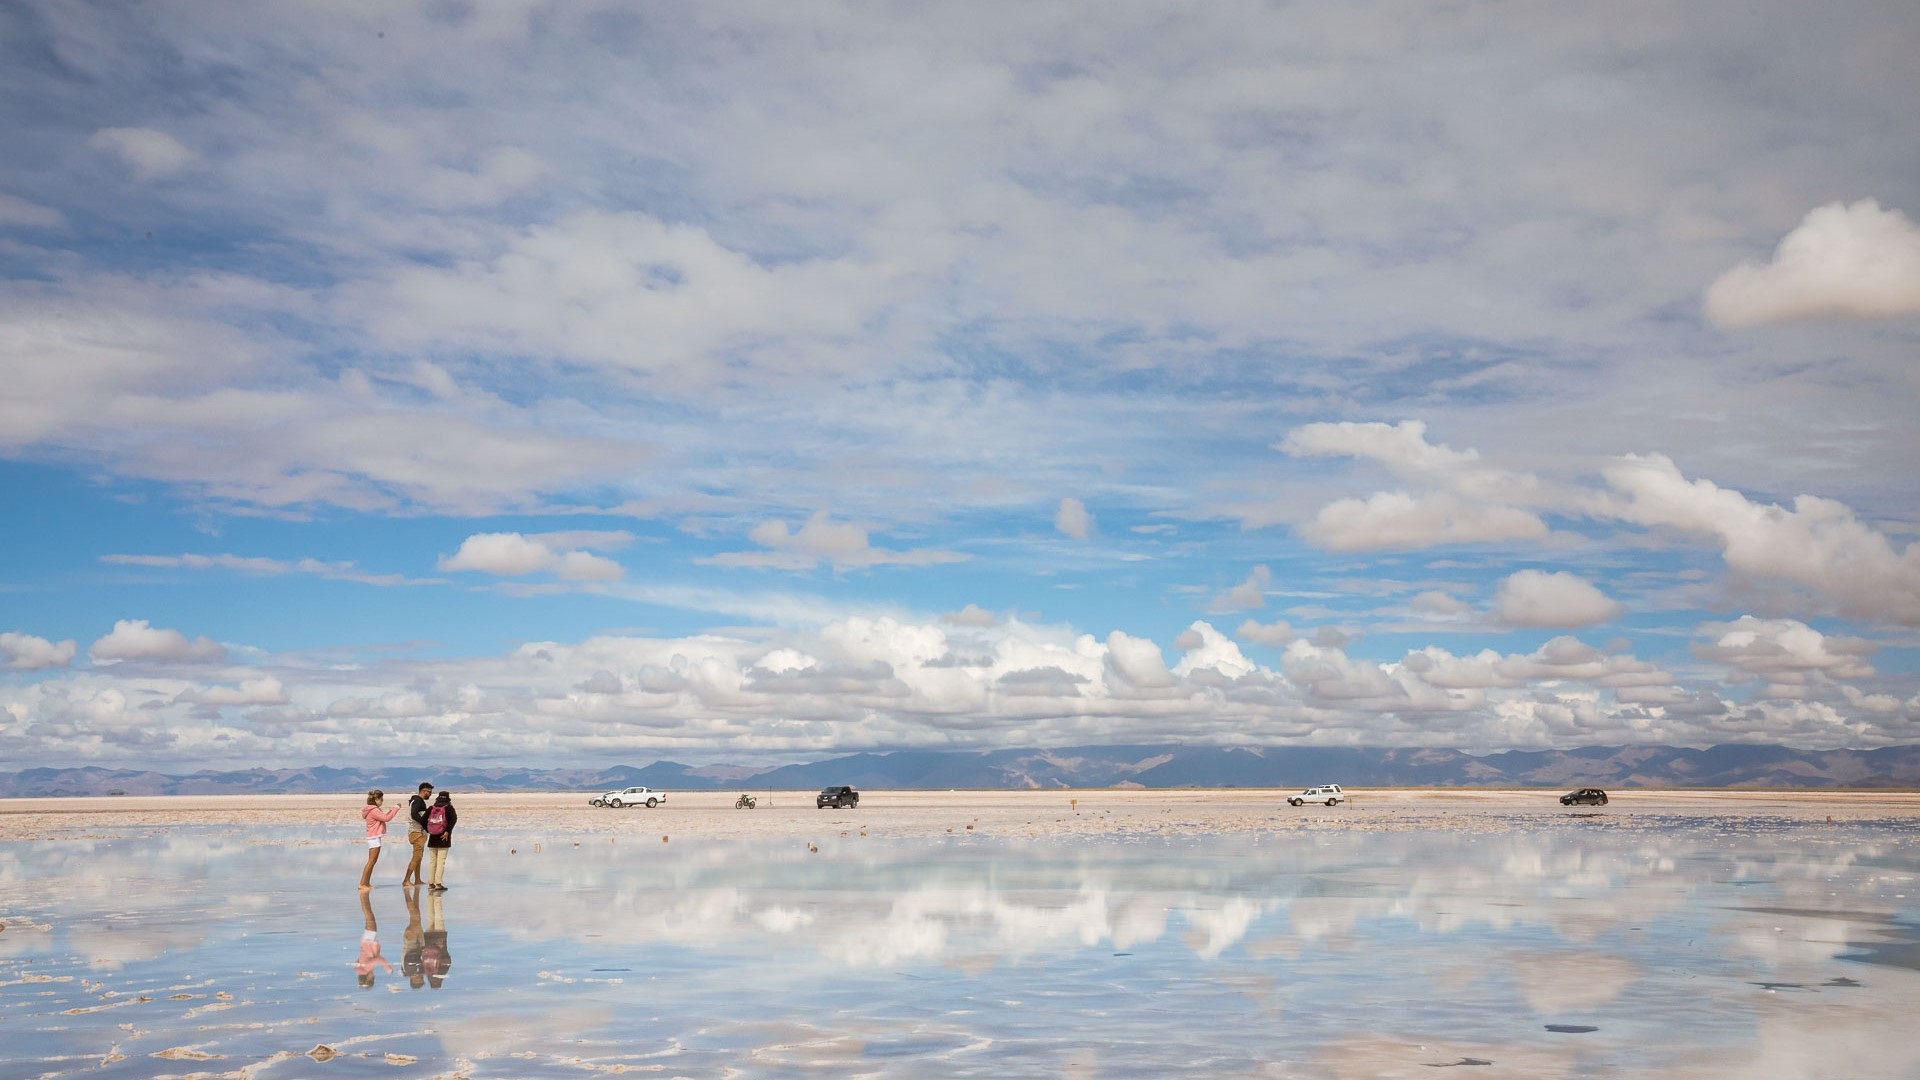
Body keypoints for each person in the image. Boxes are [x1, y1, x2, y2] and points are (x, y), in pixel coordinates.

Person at [359, 789, 399, 890]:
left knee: (372, 861)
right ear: (376, 799)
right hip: (374, 837)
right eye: (381, 799)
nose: (382, 801)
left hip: (373, 837)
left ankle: (365, 883)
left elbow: (384, 817)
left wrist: (391, 810)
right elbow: (386, 818)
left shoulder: (372, 809)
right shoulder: (374, 810)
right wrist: (396, 808)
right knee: (372, 861)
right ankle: (363, 884)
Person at [354, 890, 392, 988]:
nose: (374, 976)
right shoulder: (360, 967)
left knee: (369, 916)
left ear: (368, 977)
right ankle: (363, 897)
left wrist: (388, 969)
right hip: (365, 941)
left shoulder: (367, 968)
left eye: (372, 978)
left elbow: (379, 959)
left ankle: (363, 896)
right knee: (368, 917)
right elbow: (356, 960)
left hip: (369, 940)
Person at [401, 781, 433, 887]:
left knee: (419, 856)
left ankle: (417, 879)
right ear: (424, 791)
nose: (430, 794)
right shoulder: (417, 801)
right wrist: (424, 823)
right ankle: (406, 880)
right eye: (429, 792)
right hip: (416, 832)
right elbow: (414, 814)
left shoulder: (417, 801)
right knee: (417, 856)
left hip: (418, 831)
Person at [425, 789, 457, 891]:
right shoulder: (449, 808)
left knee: (432, 862)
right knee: (440, 861)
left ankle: (431, 884)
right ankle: (438, 884)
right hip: (444, 838)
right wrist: (447, 831)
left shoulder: (431, 808)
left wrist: (429, 829)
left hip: (432, 838)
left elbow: (422, 820)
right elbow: (453, 820)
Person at [422, 889, 452, 989]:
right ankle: (431, 899)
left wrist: (443, 948)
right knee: (430, 916)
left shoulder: (442, 970)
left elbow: (448, 960)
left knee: (438, 915)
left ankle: (436, 898)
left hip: (440, 939)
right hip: (429, 941)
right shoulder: (427, 972)